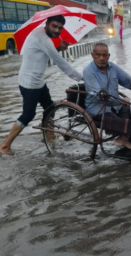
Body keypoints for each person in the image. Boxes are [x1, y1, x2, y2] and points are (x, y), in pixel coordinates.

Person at [0, 15, 83, 155]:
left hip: (38, 81)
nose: (57, 30)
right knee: (28, 114)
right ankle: (5, 146)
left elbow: (43, 52)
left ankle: (48, 133)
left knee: (50, 107)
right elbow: (62, 63)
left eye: (60, 28)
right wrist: (82, 78)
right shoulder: (44, 40)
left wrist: (57, 47)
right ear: (47, 23)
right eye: (54, 26)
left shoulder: (41, 34)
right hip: (29, 84)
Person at [83, 43, 131, 149]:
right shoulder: (88, 71)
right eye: (98, 55)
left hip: (116, 106)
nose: (101, 58)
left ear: (108, 56)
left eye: (104, 55)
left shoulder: (113, 67)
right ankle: (123, 139)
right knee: (121, 122)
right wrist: (121, 101)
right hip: (98, 109)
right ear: (93, 55)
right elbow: (99, 95)